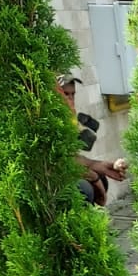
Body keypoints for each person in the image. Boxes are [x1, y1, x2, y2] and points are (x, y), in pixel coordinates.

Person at [55, 69, 127, 206]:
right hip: (51, 181)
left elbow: (71, 156)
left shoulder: (70, 119)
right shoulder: (49, 121)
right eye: (66, 94)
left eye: (73, 94)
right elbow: (59, 164)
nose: (71, 100)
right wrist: (94, 177)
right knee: (84, 189)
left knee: (101, 177)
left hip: (66, 169)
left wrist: (100, 166)